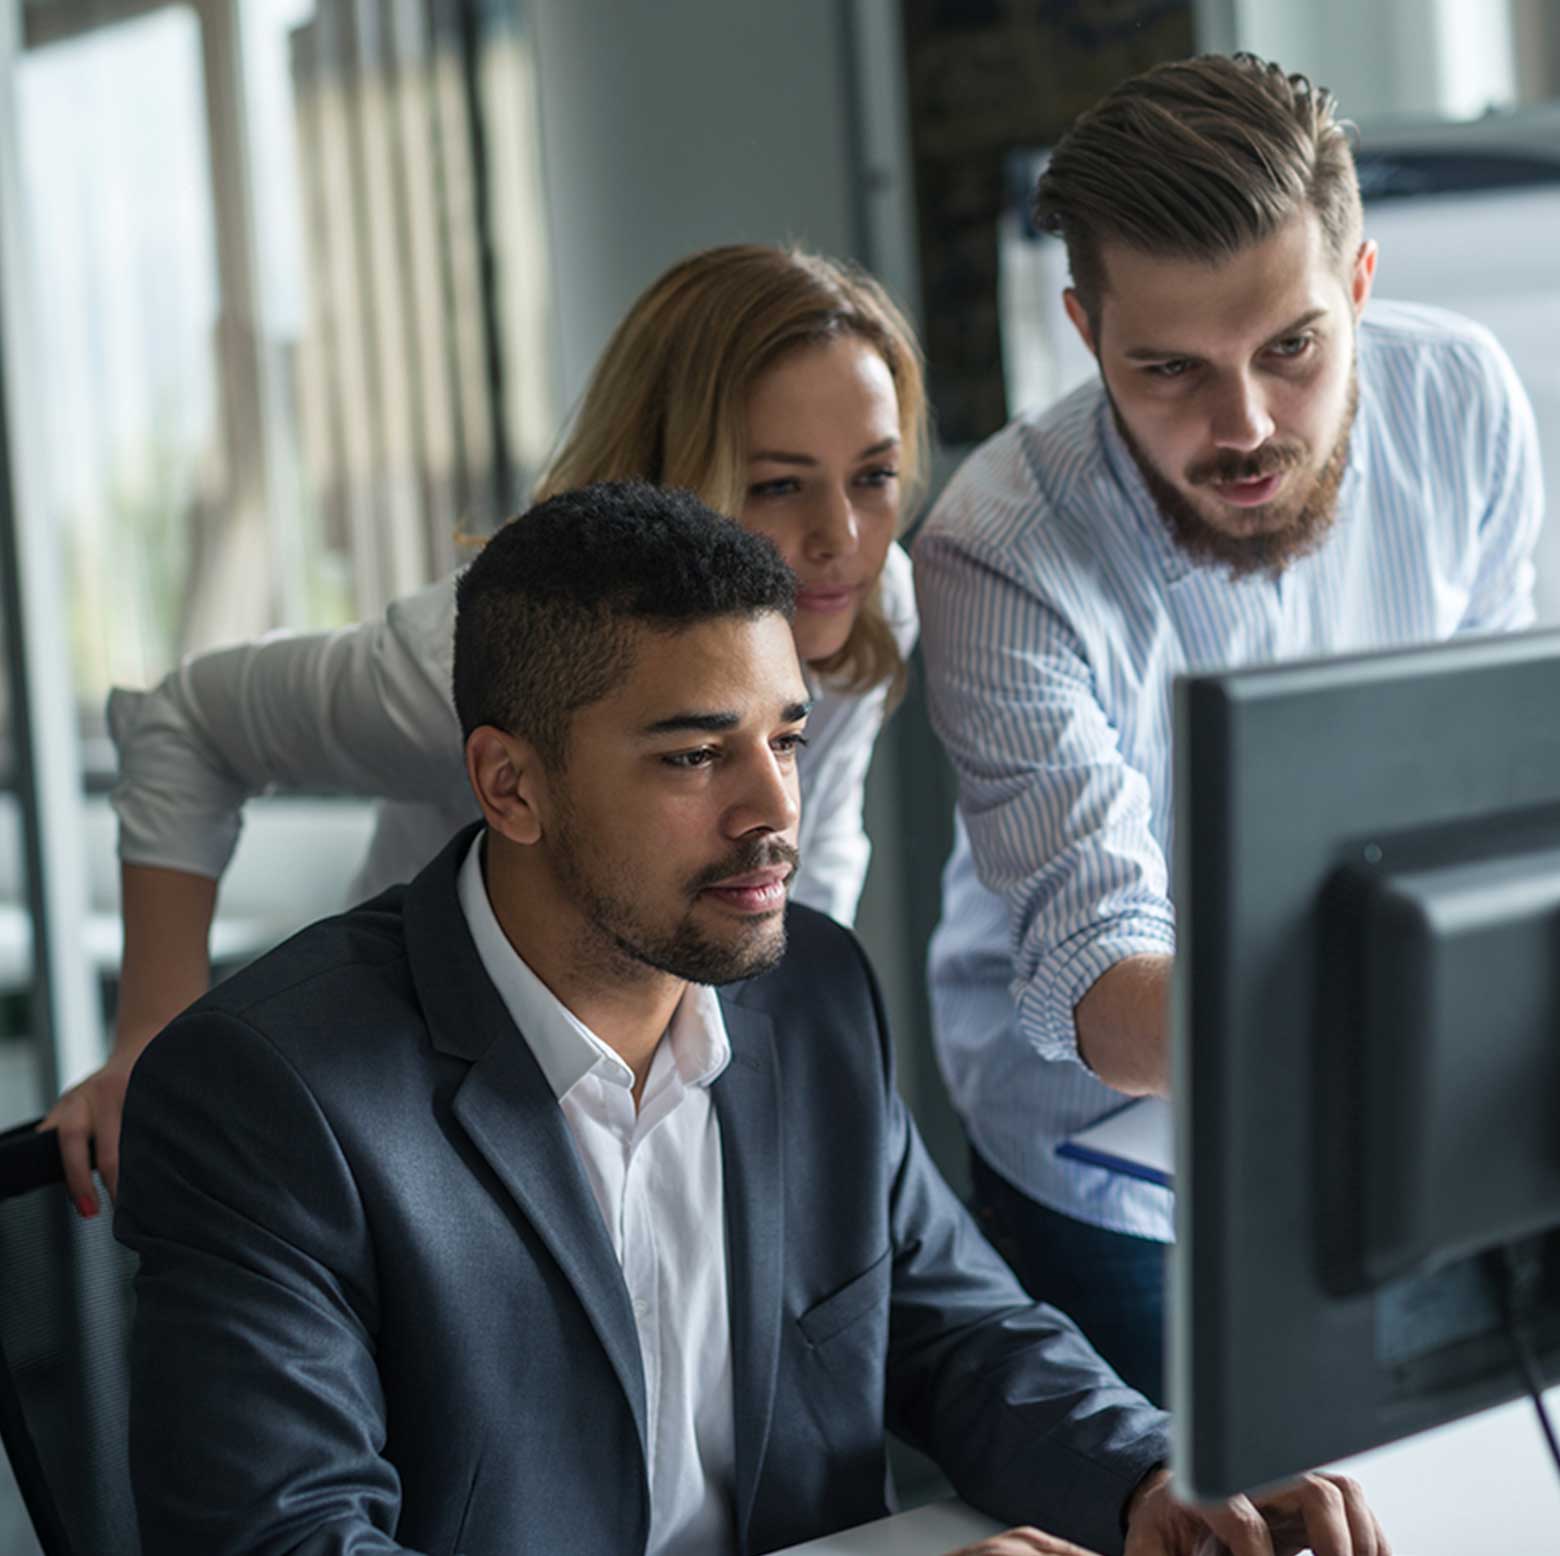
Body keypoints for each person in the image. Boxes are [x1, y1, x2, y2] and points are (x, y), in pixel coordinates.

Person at [115, 482, 1387, 1556]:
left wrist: (1154, 1475)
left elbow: (960, 1331)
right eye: (692, 755)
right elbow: (291, 1540)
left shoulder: (809, 990)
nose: (770, 807)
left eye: (785, 736)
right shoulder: (270, 1094)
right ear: (511, 783)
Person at [46, 243, 926, 1216]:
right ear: (677, 468)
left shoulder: (865, 598)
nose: (842, 535)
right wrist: (151, 1040)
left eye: (875, 474)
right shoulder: (470, 655)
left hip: (652, 1066)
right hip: (420, 1086)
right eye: (779, 485)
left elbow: (813, 861)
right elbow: (189, 721)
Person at [913, 52, 1544, 1405]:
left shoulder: (1464, 400)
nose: (1246, 425)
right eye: (1171, 369)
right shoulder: (995, 553)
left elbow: (1497, 789)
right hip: (1121, 1162)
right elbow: (1105, 992)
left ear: (1359, 281)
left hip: (1409, 1100)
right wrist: (1449, 1001)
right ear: (1086, 333)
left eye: (1293, 348)